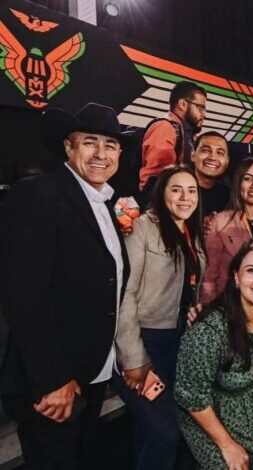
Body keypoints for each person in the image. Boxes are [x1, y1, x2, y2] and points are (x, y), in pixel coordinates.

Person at [0, 103, 130, 469]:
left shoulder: (105, 204)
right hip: (55, 386)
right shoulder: (37, 195)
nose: (101, 153)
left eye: (110, 145)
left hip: (93, 373)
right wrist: (53, 379)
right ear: (68, 147)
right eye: (89, 142)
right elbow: (24, 295)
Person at [115, 165, 206, 469]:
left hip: (177, 342)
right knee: (164, 431)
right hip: (145, 341)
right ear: (162, 193)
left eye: (191, 191)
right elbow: (126, 293)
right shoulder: (142, 227)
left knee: (154, 432)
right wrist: (133, 357)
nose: (185, 197)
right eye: (176, 190)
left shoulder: (191, 233)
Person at [175, 238, 253, 470]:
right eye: (252, 270)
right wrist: (227, 445)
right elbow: (191, 396)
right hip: (210, 423)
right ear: (237, 278)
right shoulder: (209, 331)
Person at [200, 157, 253, 305]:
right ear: (238, 183)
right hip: (227, 305)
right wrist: (208, 311)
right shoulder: (219, 222)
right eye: (248, 179)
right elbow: (208, 278)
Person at [139, 81, 207, 201]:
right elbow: (155, 178)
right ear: (182, 104)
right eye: (200, 107)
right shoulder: (164, 128)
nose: (204, 114)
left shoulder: (188, 135)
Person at [192, 131, 230, 217]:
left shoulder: (229, 196)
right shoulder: (175, 188)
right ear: (193, 155)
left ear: (227, 161)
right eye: (205, 150)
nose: (212, 157)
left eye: (220, 153)